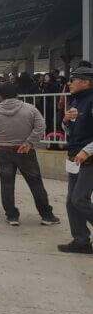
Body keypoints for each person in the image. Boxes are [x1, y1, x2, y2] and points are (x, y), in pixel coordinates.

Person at [0, 83, 60, 227]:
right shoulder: (30, 109)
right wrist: (29, 142)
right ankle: (47, 216)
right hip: (25, 151)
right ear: (17, 94)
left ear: (0, 97)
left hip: (4, 151)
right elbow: (41, 126)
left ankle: (12, 216)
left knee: (7, 184)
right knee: (36, 184)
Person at [58, 67, 93, 254]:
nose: (69, 83)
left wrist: (86, 151)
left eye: (73, 80)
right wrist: (65, 120)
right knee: (72, 202)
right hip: (74, 157)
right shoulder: (77, 101)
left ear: (86, 82)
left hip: (88, 158)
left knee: (80, 199)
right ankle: (81, 241)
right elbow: (71, 131)